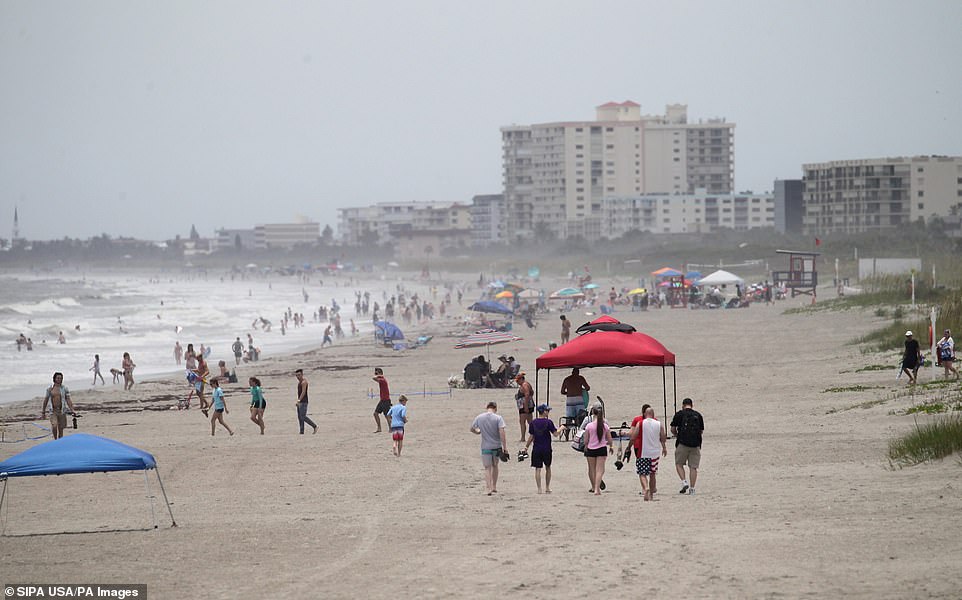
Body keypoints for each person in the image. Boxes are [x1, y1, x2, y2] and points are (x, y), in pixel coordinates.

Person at [470, 401, 507, 496]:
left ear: (487, 407)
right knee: (495, 465)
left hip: (485, 446)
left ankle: (488, 488)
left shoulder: (479, 417)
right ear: (495, 408)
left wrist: (478, 432)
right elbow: (502, 432)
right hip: (496, 446)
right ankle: (494, 486)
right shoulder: (498, 418)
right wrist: (505, 447)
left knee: (487, 468)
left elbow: (472, 428)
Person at [670, 397, 705, 495]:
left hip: (682, 443)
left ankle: (684, 481)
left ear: (683, 405)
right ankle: (692, 488)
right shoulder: (698, 415)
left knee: (679, 464)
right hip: (695, 444)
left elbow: (672, 429)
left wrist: (677, 435)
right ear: (692, 405)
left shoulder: (679, 414)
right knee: (693, 467)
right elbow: (701, 431)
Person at [633, 407, 667, 501]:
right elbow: (663, 437)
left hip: (643, 452)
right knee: (652, 474)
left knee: (642, 473)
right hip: (655, 452)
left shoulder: (640, 423)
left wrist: (629, 446)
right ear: (653, 414)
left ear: (645, 414)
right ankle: (651, 495)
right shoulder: (659, 424)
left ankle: (646, 488)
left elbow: (634, 436)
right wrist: (664, 448)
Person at [524, 404, 559, 493]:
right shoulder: (549, 422)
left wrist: (526, 447)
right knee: (548, 467)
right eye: (547, 411)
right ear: (544, 412)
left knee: (537, 469)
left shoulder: (533, 423)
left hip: (537, 448)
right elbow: (555, 434)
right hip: (547, 448)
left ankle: (539, 488)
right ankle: (547, 487)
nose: (548, 412)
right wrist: (561, 428)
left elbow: (531, 436)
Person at [584, 402, 613, 495]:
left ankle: (593, 487)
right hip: (601, 449)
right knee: (600, 470)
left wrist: (586, 445)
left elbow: (586, 440)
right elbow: (610, 439)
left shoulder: (589, 426)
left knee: (591, 469)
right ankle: (597, 489)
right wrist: (611, 446)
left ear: (593, 412)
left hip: (590, 449)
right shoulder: (605, 425)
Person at [42, 372, 78, 440]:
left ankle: (60, 440)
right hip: (53, 411)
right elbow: (46, 400)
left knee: (61, 428)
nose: (59, 379)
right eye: (58, 378)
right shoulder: (50, 389)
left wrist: (72, 409)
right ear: (54, 379)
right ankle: (55, 440)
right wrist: (43, 412)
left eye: (61, 378)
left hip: (62, 411)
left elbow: (68, 399)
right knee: (54, 425)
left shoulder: (64, 388)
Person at [294, 369, 318, 434]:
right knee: (300, 417)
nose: (298, 377)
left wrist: (299, 400)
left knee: (303, 416)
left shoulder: (304, 382)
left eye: (299, 375)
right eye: (296, 375)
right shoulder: (299, 383)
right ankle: (301, 431)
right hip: (300, 402)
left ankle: (315, 426)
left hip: (304, 402)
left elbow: (303, 392)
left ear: (302, 374)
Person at [514, 372, 534, 442]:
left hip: (525, 405)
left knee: (522, 421)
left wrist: (525, 406)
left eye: (518, 380)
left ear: (521, 379)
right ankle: (533, 436)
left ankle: (523, 437)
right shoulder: (526, 384)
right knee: (530, 421)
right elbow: (531, 393)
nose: (517, 382)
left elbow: (527, 395)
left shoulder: (524, 385)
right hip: (528, 404)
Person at [372, 367, 392, 433]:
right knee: (375, 414)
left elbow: (374, 378)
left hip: (386, 400)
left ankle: (391, 428)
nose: (375, 374)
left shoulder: (383, 380)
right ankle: (379, 428)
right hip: (382, 400)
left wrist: (379, 375)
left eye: (377, 373)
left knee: (387, 416)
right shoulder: (381, 379)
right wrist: (379, 375)